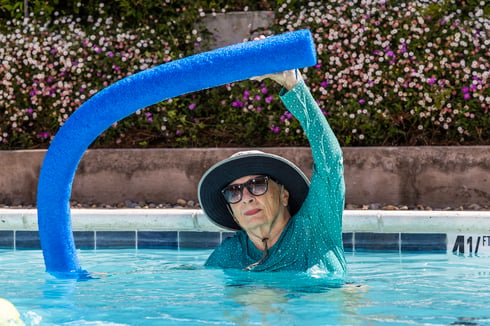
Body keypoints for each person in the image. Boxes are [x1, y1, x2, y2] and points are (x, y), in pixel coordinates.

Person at [198, 69, 346, 274]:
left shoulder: (314, 228)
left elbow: (330, 161)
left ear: (284, 195)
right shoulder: (227, 257)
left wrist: (294, 86)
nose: (246, 198)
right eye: (234, 192)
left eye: (257, 184)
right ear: (232, 211)